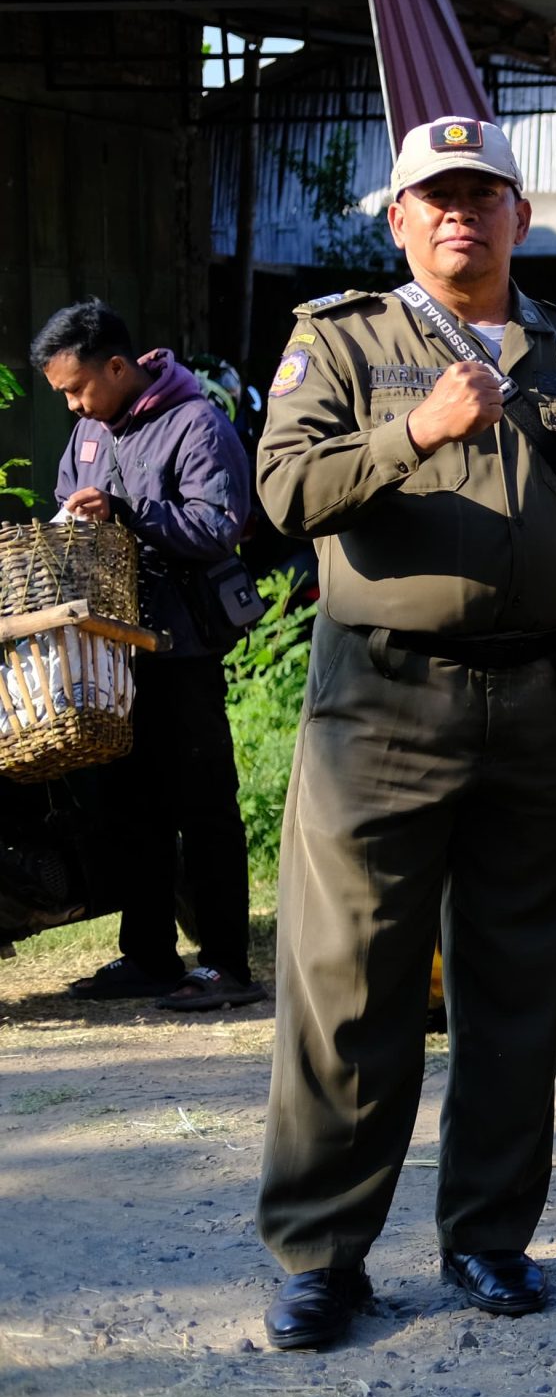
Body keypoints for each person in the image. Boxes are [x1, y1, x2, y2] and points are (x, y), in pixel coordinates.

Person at [253, 116, 556, 1350]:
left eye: (481, 194)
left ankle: (489, 1237)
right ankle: (323, 1257)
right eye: (434, 197)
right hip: (379, 707)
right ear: (396, 219)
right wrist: (417, 431)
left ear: (518, 216)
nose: (460, 214)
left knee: (519, 991)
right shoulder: (340, 339)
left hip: (543, 702)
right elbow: (281, 492)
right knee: (348, 988)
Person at [38, 303, 260, 1011]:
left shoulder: (196, 424)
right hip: (112, 657)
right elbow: (66, 510)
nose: (74, 407)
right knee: (130, 806)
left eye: (78, 390)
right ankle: (149, 958)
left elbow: (219, 525)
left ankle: (225, 963)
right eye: (64, 398)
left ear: (116, 365)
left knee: (204, 807)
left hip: (182, 648)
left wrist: (129, 512)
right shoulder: (89, 435)